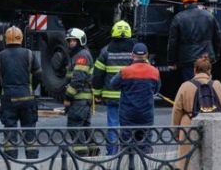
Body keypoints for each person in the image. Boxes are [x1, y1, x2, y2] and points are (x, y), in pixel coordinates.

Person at [0, 26, 42, 159]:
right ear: (21, 38)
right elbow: (39, 75)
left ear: (6, 39)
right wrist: (31, 88)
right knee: (29, 131)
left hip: (8, 99)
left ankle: (11, 161)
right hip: (27, 98)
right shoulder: (29, 54)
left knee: (10, 132)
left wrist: (1, 90)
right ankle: (32, 162)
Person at [171, 55, 221, 169]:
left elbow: (177, 110)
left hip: (189, 125)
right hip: (212, 126)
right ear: (209, 70)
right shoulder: (217, 85)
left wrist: (175, 130)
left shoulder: (185, 86)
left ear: (194, 70)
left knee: (188, 162)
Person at [92, 20, 135, 155]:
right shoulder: (135, 51)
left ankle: (112, 153)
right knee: (128, 125)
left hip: (111, 97)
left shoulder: (106, 51)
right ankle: (128, 151)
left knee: (113, 125)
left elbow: (98, 75)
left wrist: (97, 94)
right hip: (130, 97)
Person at [110, 43, 161, 153]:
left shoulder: (125, 71)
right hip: (146, 114)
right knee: (145, 143)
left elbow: (113, 84)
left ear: (132, 55)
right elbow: (156, 90)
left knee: (127, 143)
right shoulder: (154, 71)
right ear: (147, 55)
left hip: (128, 114)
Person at [167, 0, 221, 83]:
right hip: (206, 58)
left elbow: (173, 42)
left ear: (183, 0)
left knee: (192, 87)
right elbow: (218, 38)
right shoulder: (209, 16)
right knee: (206, 85)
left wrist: (171, 62)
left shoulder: (179, 18)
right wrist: (215, 56)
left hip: (188, 60)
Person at [63, 28, 97, 156]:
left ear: (80, 41)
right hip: (82, 100)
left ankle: (82, 156)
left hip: (79, 99)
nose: (70, 43)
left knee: (74, 126)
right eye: (69, 41)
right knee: (85, 127)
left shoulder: (82, 56)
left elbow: (78, 80)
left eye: (73, 41)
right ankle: (94, 154)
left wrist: (68, 97)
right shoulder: (78, 55)